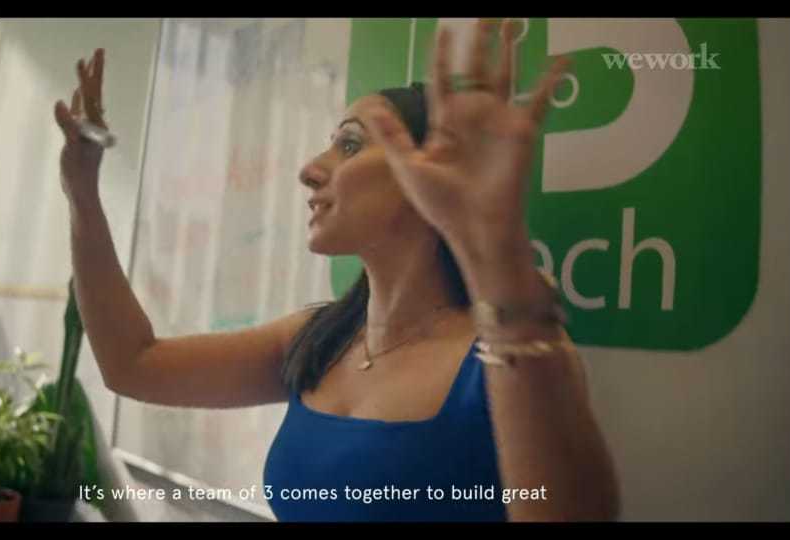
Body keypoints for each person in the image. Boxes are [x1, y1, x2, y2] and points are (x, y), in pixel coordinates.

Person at [51, 19, 619, 522]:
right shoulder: (318, 339)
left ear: (428, 178)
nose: (309, 170)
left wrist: (496, 256)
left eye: (349, 145)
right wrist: (82, 193)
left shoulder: (511, 359)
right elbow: (133, 363)